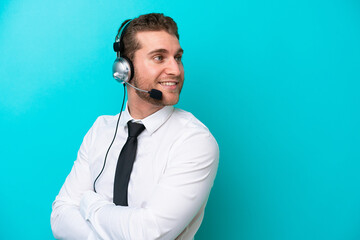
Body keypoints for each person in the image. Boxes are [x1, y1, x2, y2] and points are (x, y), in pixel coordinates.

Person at [51, 13, 219, 240]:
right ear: (124, 69)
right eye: (159, 58)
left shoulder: (194, 141)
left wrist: (90, 204)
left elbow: (148, 234)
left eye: (177, 58)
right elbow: (60, 217)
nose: (176, 70)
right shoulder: (101, 129)